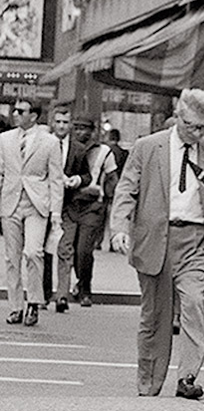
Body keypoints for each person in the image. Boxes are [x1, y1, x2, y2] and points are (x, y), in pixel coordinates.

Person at [109, 88, 204, 398]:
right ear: (178, 116)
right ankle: (148, 383)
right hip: (155, 240)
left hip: (196, 241)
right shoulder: (147, 147)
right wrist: (120, 228)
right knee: (155, 316)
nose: (198, 132)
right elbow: (127, 190)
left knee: (193, 303)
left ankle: (188, 378)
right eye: (191, 125)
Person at [0, 100, 63, 326]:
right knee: (11, 257)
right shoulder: (4, 139)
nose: (16, 114)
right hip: (10, 201)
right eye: (15, 111)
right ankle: (16, 306)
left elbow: (56, 179)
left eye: (21, 111)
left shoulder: (50, 142)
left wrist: (56, 212)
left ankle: (34, 302)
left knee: (34, 252)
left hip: (37, 203)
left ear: (34, 116)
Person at [54, 117, 115, 310]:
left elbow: (113, 179)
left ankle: (84, 288)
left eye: (85, 129)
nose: (81, 132)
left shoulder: (104, 152)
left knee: (84, 250)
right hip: (70, 205)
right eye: (78, 128)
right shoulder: (67, 149)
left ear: (93, 131)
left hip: (92, 206)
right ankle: (62, 293)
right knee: (65, 248)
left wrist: (104, 195)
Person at [43, 104, 75, 304]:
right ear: (52, 123)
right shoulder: (43, 144)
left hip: (70, 207)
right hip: (45, 205)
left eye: (65, 122)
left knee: (65, 250)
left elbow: (88, 174)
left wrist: (77, 180)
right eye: (58, 122)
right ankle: (45, 294)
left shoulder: (78, 149)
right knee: (44, 252)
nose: (62, 126)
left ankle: (62, 295)